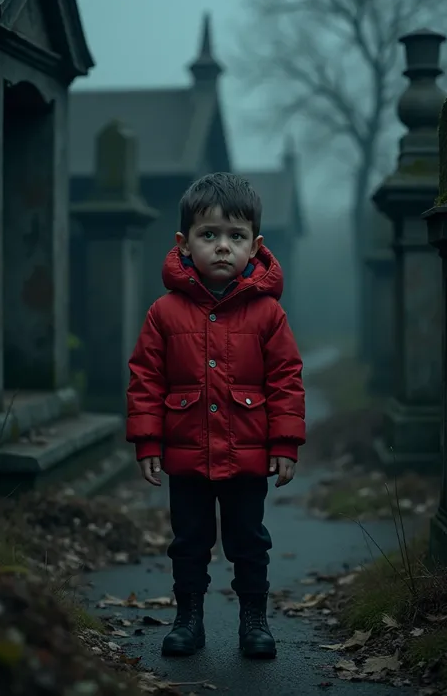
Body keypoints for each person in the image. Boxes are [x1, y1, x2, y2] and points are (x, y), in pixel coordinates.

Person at [126, 172, 306, 660]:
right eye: (209, 236)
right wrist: (148, 443)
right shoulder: (164, 313)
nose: (222, 247)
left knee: (249, 540)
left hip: (248, 456)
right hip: (187, 455)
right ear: (185, 245)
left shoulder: (268, 314)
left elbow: (286, 379)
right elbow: (145, 378)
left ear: (255, 245)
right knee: (189, 541)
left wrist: (283, 445)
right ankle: (188, 619)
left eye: (236, 236)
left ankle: (254, 620)